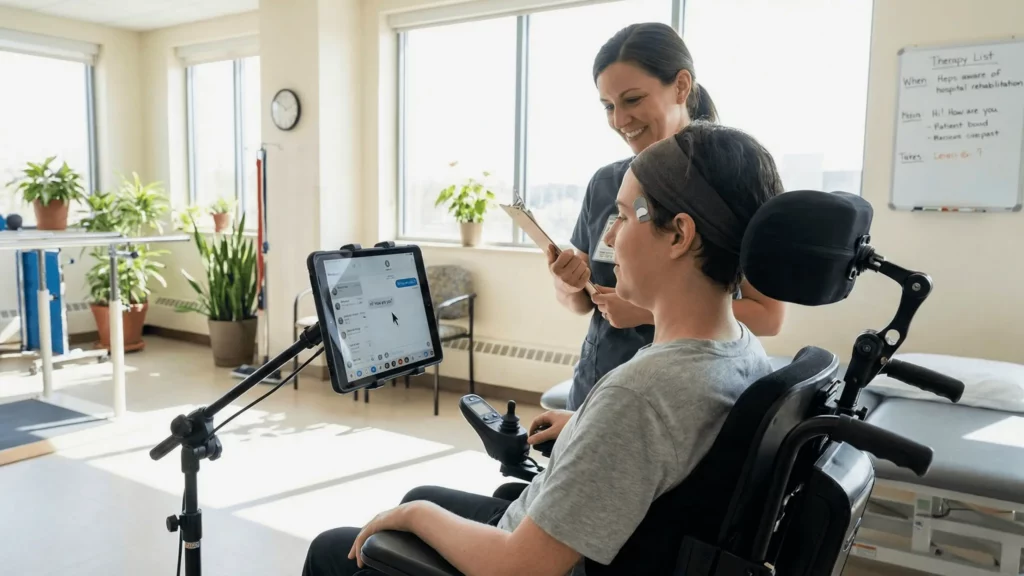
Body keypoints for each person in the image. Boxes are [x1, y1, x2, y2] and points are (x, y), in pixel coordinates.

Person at [302, 120, 781, 576]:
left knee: (338, 546)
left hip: (530, 558)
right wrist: (588, 426)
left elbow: (520, 568)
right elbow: (678, 452)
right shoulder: (740, 349)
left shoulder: (641, 396)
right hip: (589, 537)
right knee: (422, 491)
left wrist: (415, 516)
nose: (609, 237)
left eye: (620, 215)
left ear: (679, 234)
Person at [546, 22, 786, 419]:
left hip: (676, 399)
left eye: (633, 99)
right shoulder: (608, 183)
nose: (620, 119)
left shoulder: (734, 179)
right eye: (608, 106)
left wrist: (644, 312)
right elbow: (580, 303)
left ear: (680, 86)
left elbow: (770, 317)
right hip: (602, 383)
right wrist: (569, 281)